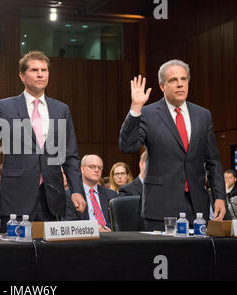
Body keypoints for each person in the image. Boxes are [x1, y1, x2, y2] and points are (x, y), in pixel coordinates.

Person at [0, 51, 86, 232]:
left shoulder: (61, 109)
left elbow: (71, 156)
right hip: (16, 199)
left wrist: (76, 190)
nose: (40, 74)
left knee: (50, 257)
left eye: (44, 70)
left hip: (52, 199)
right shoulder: (5, 107)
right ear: (22, 75)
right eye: (34, 70)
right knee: (15, 255)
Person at [119, 59, 226, 231]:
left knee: (196, 258)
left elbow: (213, 160)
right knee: (163, 257)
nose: (180, 84)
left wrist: (220, 196)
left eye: (183, 79)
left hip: (197, 207)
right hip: (160, 208)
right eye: (173, 80)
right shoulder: (147, 113)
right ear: (162, 86)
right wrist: (135, 108)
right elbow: (127, 146)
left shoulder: (203, 115)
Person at [65, 155, 117, 231]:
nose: (96, 170)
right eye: (92, 166)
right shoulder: (70, 195)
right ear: (82, 169)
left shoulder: (111, 194)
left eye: (99, 167)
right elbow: (69, 224)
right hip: (85, 239)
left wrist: (106, 229)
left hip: (109, 237)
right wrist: (94, 229)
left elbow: (116, 222)